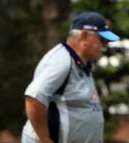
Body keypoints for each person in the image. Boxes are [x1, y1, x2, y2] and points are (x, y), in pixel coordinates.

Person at [21, 11, 120, 143]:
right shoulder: (61, 61)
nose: (105, 46)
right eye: (102, 40)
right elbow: (34, 98)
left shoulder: (83, 63)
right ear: (84, 36)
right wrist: (44, 139)